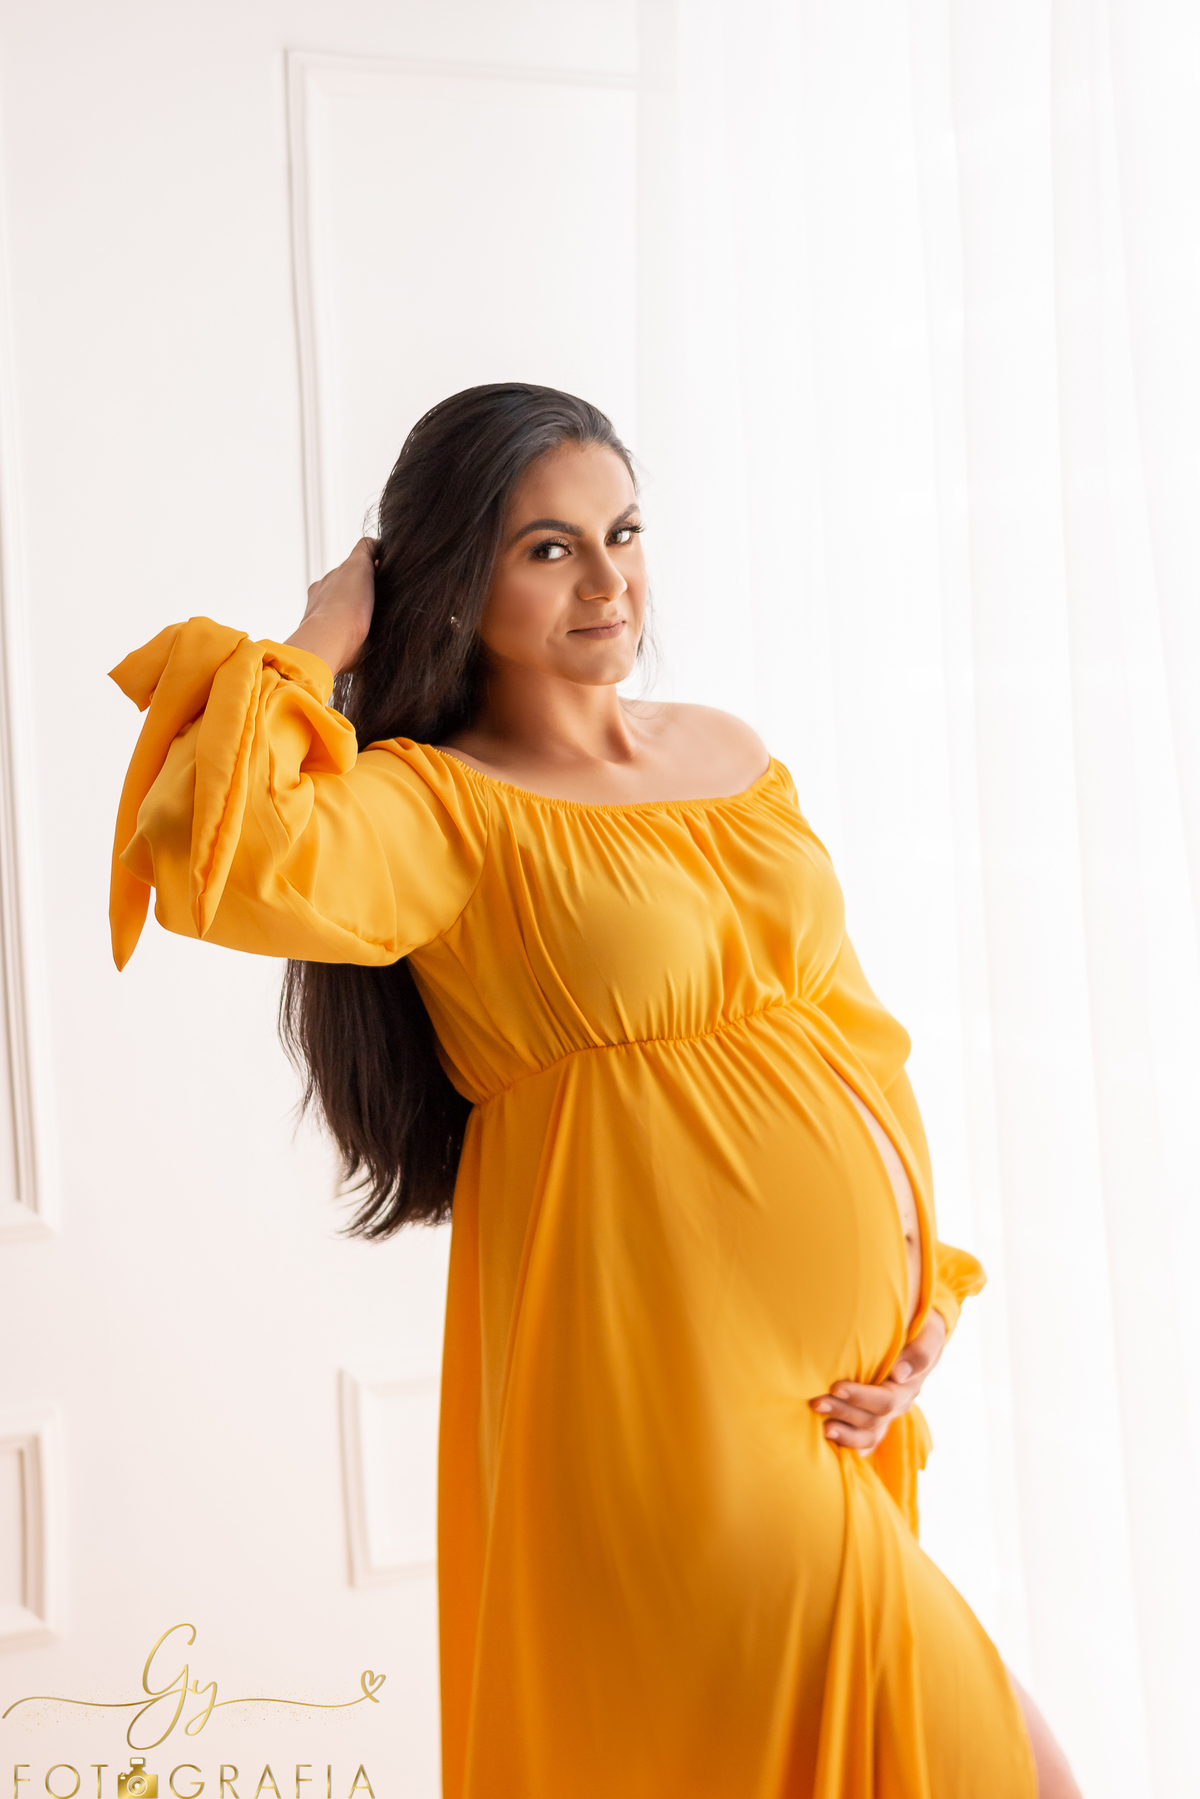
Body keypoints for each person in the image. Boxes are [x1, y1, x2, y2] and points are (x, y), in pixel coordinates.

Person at [109, 384, 1081, 1797]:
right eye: (549, 548)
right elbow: (220, 843)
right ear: (452, 579)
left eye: (623, 530)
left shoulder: (733, 759)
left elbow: (855, 1039)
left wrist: (925, 1301)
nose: (610, 578)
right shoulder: (440, 808)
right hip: (658, 1394)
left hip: (824, 1400)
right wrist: (327, 629)